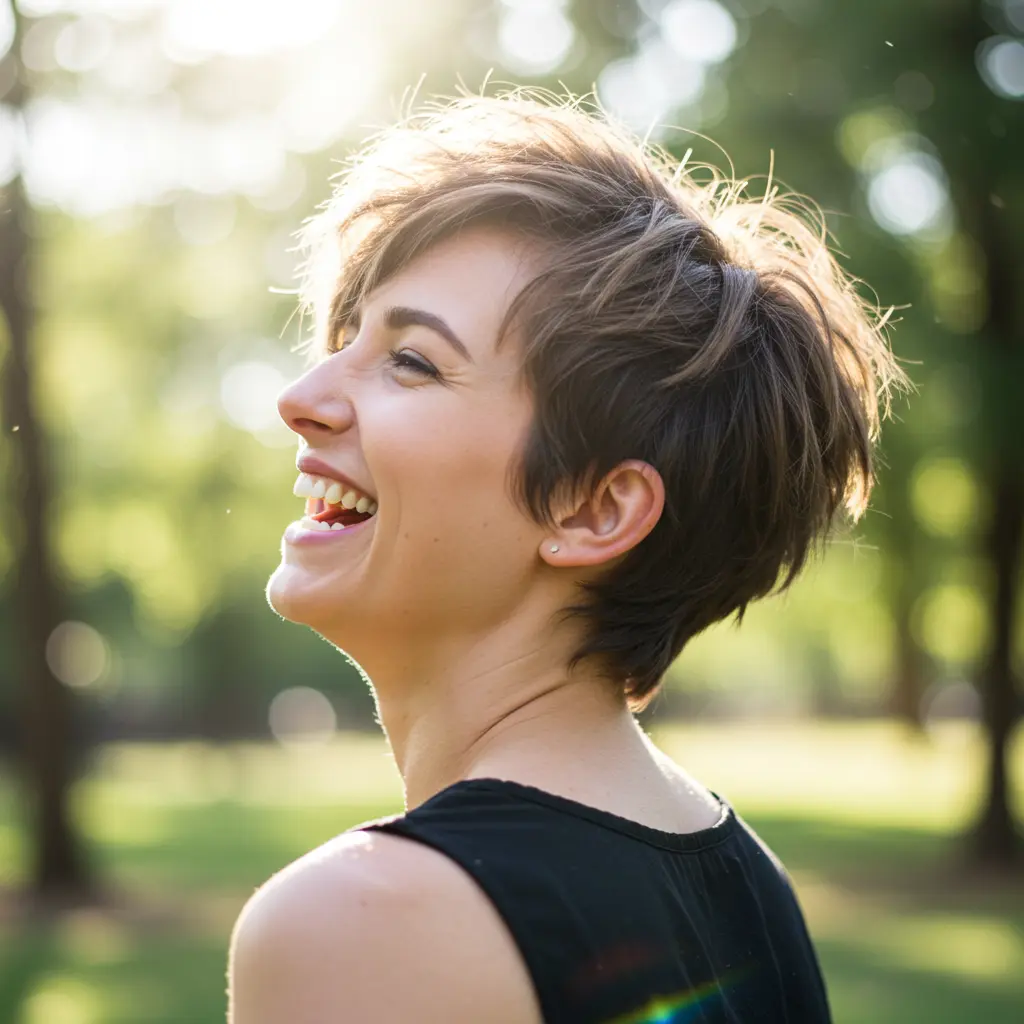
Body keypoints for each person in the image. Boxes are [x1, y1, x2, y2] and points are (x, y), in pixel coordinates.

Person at [227, 90, 900, 1023]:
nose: (301, 397)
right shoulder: (752, 887)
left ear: (594, 510)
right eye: (346, 341)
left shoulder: (365, 922)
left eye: (412, 361)